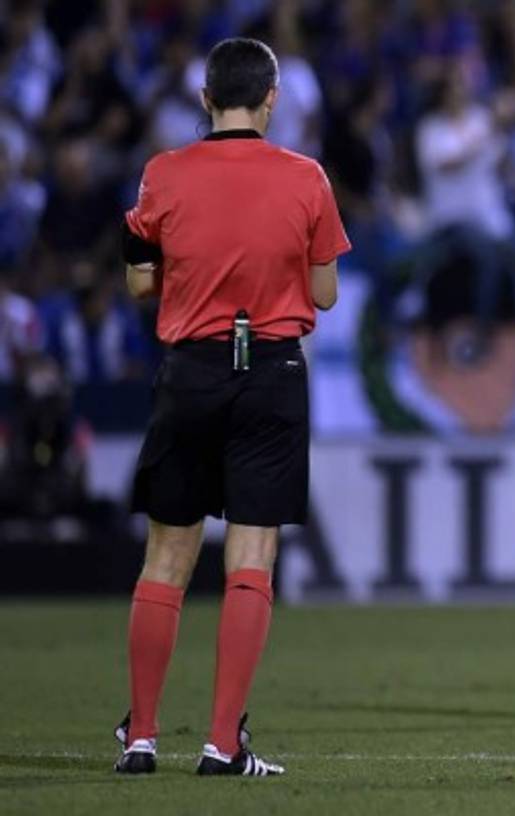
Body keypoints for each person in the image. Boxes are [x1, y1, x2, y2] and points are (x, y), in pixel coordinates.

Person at [114, 38, 350, 777]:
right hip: (271, 373)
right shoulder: (306, 177)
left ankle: (143, 737)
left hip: (190, 372)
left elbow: (140, 286)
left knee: (168, 555)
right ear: (272, 99)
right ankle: (222, 745)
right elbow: (324, 294)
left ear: (205, 99)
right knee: (252, 556)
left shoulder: (164, 174)